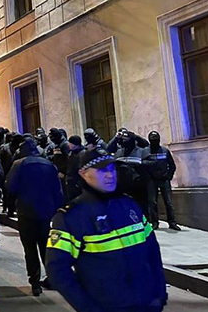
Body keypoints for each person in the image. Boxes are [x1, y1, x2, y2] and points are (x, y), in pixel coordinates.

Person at [47, 148, 167, 311]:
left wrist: (159, 294)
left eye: (112, 169)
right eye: (102, 170)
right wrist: (88, 308)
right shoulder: (71, 217)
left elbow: (152, 251)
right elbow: (57, 270)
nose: (110, 175)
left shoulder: (129, 205)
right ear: (83, 173)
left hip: (146, 304)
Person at [6, 137, 63, 296]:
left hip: (26, 211)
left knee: (30, 248)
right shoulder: (49, 164)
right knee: (46, 247)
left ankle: (35, 282)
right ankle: (51, 277)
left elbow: (9, 186)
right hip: (46, 211)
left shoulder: (19, 165)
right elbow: (57, 190)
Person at [111, 130, 153, 219]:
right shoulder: (119, 152)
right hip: (122, 186)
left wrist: (140, 164)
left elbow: (152, 163)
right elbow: (108, 149)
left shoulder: (141, 151)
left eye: (126, 140)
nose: (124, 142)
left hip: (138, 186)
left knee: (141, 209)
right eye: (123, 140)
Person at [145, 131, 180, 230]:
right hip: (152, 180)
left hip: (164, 180)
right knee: (152, 202)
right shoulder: (146, 151)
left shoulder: (165, 151)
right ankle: (155, 222)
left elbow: (172, 165)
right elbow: (143, 165)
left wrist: (169, 176)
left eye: (156, 139)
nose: (154, 141)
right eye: (153, 140)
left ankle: (172, 222)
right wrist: (148, 177)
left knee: (168, 202)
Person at [64, 136, 86, 202]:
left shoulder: (82, 154)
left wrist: (78, 183)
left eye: (70, 143)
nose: (68, 144)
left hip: (77, 184)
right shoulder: (72, 153)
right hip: (71, 183)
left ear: (74, 144)